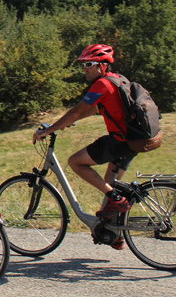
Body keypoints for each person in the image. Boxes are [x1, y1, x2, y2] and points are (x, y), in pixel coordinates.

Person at [32, 44, 135, 250]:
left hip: (119, 141)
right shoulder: (119, 79)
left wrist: (48, 130)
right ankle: (115, 234)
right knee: (110, 182)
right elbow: (94, 109)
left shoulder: (102, 84)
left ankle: (115, 199)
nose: (85, 68)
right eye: (84, 64)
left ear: (102, 66)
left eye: (89, 64)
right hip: (134, 141)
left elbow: (77, 111)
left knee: (75, 162)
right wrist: (67, 122)